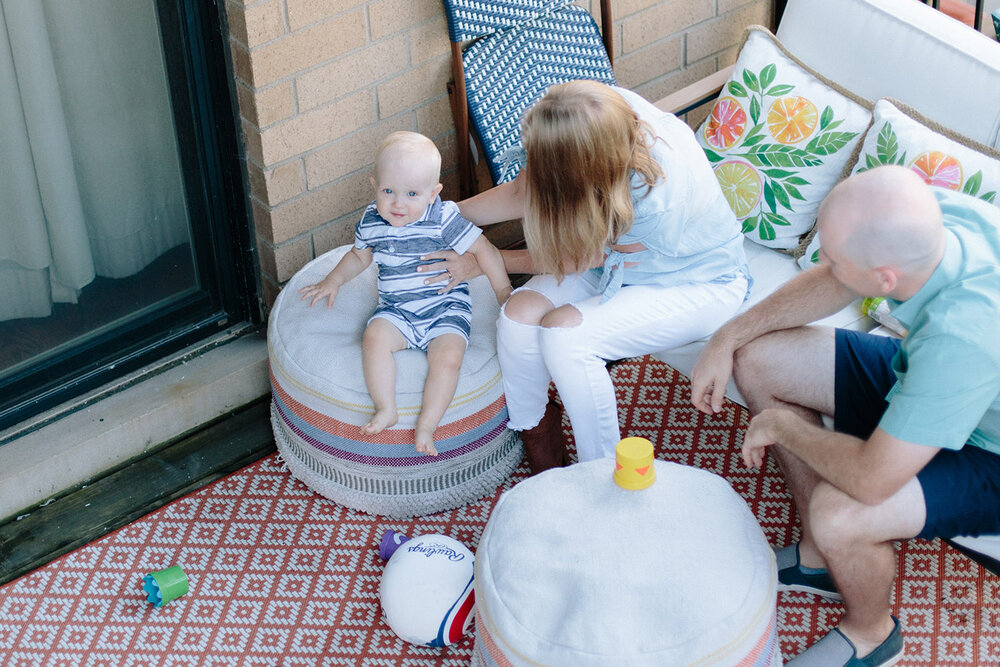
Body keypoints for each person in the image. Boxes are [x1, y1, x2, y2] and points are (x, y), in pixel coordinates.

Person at [690, 165, 1000, 666]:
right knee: (758, 357)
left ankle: (872, 634)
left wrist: (781, 427)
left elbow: (872, 480)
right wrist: (728, 336)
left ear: (885, 279)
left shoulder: (964, 336)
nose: (822, 263)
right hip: (932, 382)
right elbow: (837, 281)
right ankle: (819, 559)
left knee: (843, 511)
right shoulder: (932, 214)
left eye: (832, 259)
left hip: (989, 450)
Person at [418, 80, 749, 471]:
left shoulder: (655, 201)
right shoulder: (587, 109)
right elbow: (522, 191)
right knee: (517, 316)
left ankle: (600, 471)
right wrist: (430, 219)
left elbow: (576, 257)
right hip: (612, 262)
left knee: (565, 336)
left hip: (695, 281)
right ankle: (539, 432)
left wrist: (488, 259)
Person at [299, 131, 512, 456]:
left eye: (412, 193)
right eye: (388, 191)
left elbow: (485, 250)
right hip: (397, 310)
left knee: (448, 358)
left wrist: (503, 290)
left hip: (444, 307)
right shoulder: (372, 220)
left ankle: (427, 423)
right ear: (375, 186)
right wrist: (333, 281)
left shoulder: (442, 218)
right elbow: (359, 256)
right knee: (374, 338)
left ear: (432, 194)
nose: (398, 203)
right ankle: (387, 407)